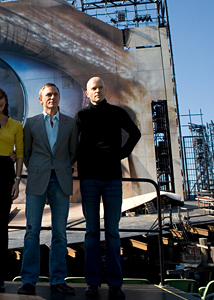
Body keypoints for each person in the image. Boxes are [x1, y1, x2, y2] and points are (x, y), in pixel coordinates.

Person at [75, 77, 141, 299]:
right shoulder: (81, 116)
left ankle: (115, 283)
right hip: (89, 179)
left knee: (112, 231)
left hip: (112, 179)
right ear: (87, 92)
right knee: (91, 231)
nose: (97, 91)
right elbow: (72, 143)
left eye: (100, 87)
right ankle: (92, 283)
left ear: (104, 90)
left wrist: (121, 154)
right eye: (93, 88)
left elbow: (135, 133)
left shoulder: (117, 112)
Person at [18, 83, 78, 296]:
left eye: (55, 94)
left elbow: (73, 152)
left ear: (59, 98)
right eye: (48, 95)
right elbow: (25, 152)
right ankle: (28, 280)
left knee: (60, 233)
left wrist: (59, 166)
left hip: (61, 179)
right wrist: (37, 168)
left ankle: (58, 279)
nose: (52, 97)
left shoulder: (70, 124)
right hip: (37, 179)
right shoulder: (31, 123)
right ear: (40, 99)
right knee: (31, 231)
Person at [0, 89, 24, 293]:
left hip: (5, 175)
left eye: (1, 99)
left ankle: (0, 276)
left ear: (5, 102)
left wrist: (17, 180)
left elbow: (21, 153)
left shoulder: (15, 125)